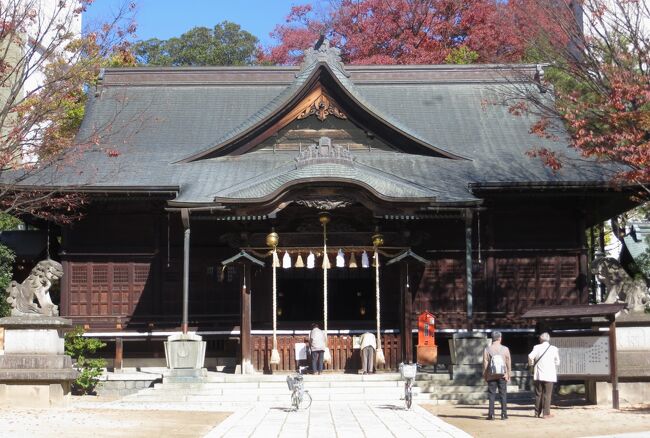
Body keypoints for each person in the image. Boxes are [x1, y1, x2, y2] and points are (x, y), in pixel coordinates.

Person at [528, 332, 560, 419]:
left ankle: (537, 413)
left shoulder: (536, 347)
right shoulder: (554, 349)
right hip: (549, 374)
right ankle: (546, 413)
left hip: (538, 374)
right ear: (548, 339)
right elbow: (558, 362)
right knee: (547, 394)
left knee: (538, 393)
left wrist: (532, 364)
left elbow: (530, 356)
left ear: (541, 339)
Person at [483, 331, 511, 420]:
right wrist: (508, 373)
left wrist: (485, 375)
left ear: (492, 338)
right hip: (502, 375)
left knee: (491, 395)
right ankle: (504, 414)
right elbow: (508, 362)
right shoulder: (505, 349)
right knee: (503, 394)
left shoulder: (487, 349)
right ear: (500, 338)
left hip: (491, 375)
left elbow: (485, 364)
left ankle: (491, 415)